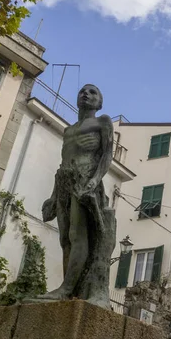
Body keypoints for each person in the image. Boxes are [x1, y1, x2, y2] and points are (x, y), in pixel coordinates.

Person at [35, 84, 116, 308]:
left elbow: (107, 156)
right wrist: (53, 196)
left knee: (77, 234)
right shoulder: (68, 130)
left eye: (93, 92)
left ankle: (66, 289)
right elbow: (64, 162)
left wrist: (93, 181)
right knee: (64, 240)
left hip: (86, 181)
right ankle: (68, 288)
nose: (86, 94)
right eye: (82, 91)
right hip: (65, 182)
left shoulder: (103, 122)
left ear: (99, 103)